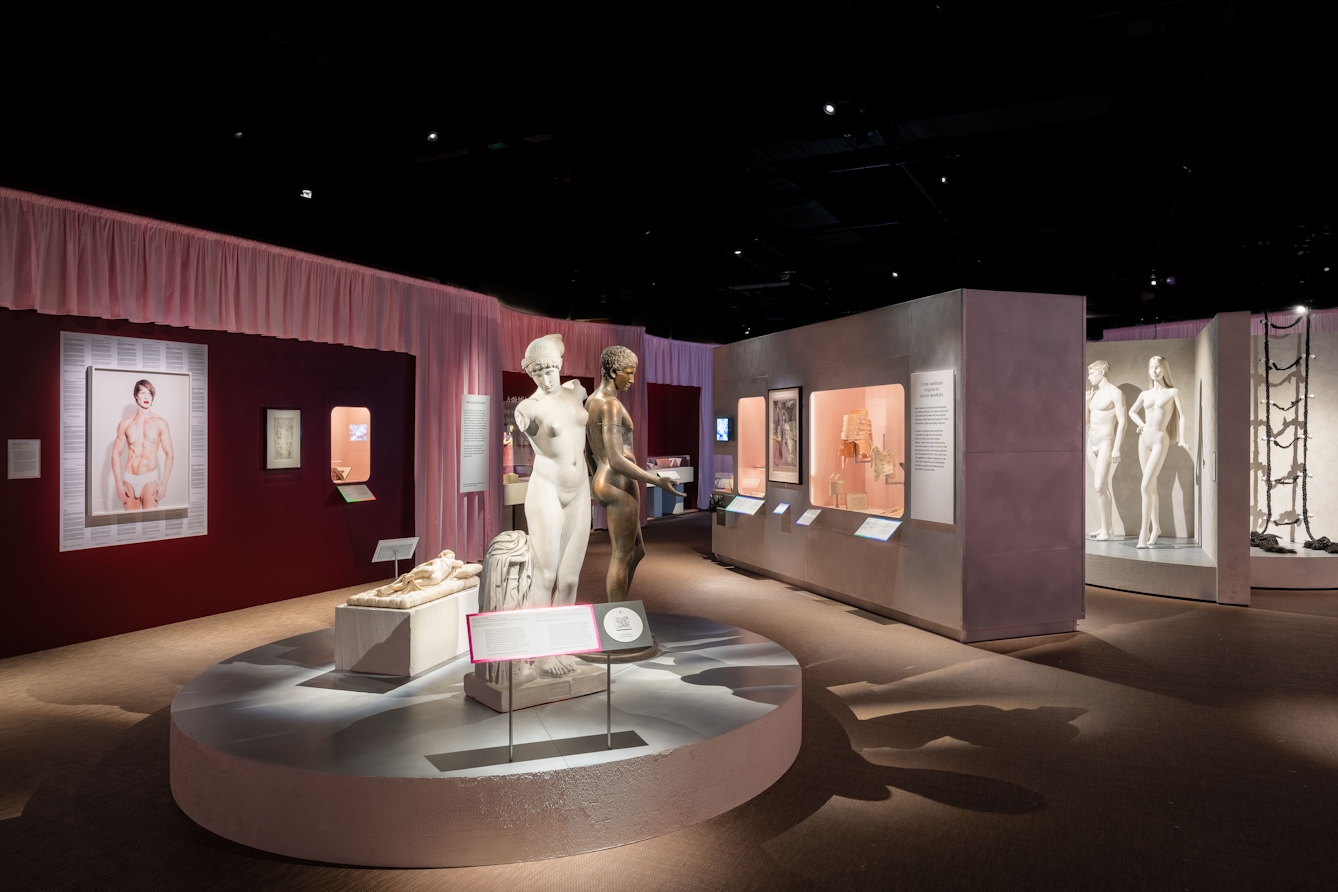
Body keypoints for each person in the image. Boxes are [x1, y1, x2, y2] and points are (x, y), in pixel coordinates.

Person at [513, 334, 592, 677]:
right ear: (531, 375)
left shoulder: (577, 392)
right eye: (539, 374)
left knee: (571, 578)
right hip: (546, 490)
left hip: (580, 490)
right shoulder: (527, 409)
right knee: (545, 574)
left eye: (551, 371)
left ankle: (560, 646)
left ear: (559, 367)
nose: (546, 379)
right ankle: (540, 651)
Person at [586, 345, 685, 602]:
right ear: (611, 371)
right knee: (621, 555)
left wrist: (597, 476)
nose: (631, 380)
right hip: (618, 480)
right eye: (627, 374)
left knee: (636, 551)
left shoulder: (591, 401)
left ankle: (621, 613)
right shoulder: (610, 405)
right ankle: (616, 619)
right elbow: (617, 458)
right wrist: (656, 480)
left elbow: (588, 450)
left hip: (606, 478)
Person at [1127, 355, 1187, 548]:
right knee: (1150, 487)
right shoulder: (1145, 394)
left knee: (1145, 487)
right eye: (1151, 367)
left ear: (1164, 370)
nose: (1154, 371)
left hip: (1161, 439)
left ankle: (1143, 536)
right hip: (1143, 440)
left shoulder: (1173, 393)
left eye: (1158, 368)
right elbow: (1131, 412)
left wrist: (1182, 439)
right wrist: (1142, 425)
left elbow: (1182, 416)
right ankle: (1156, 528)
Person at [112, 379, 174, 511]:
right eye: (143, 393)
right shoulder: (125, 423)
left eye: (149, 393)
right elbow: (116, 454)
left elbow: (170, 454)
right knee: (130, 524)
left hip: (149, 479)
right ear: (136, 395)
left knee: (150, 526)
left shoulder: (160, 423)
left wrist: (164, 484)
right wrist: (118, 484)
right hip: (129, 479)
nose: (147, 397)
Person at [1086, 360, 1127, 540]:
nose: (1089, 377)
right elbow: (1086, 421)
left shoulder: (1115, 393)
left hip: (1105, 442)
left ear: (1102, 372)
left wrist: (1117, 448)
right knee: (1100, 487)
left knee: (1098, 485)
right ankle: (1106, 528)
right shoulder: (1093, 395)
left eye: (1091, 373)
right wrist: (1086, 403)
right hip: (1091, 442)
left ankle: (1106, 529)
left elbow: (1123, 421)